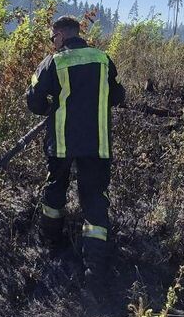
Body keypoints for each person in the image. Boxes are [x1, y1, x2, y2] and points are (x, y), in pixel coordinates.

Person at [25, 15, 125, 291]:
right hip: (97, 143)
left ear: (59, 35)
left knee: (56, 189)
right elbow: (118, 96)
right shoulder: (103, 59)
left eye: (51, 37)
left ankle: (52, 244)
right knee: (94, 198)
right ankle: (95, 267)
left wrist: (50, 109)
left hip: (62, 142)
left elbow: (32, 99)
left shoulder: (53, 62)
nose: (52, 42)